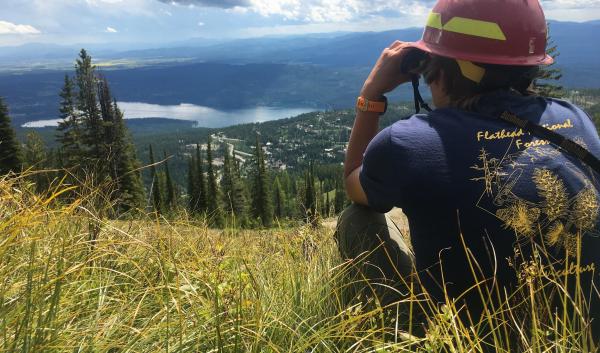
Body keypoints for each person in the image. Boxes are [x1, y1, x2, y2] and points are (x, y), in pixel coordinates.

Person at [335, 0, 600, 342]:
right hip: (580, 337)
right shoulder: (574, 119)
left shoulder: (408, 142)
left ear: (442, 68)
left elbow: (353, 181)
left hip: (462, 342)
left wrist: (370, 94)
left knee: (357, 219)